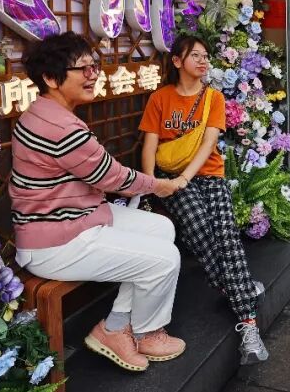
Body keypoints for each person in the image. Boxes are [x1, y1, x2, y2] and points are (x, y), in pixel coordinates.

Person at [11, 32, 185, 373]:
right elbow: (113, 178)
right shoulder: (60, 127)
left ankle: (115, 326)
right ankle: (147, 332)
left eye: (95, 67)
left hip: (75, 219)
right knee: (165, 259)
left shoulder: (45, 112)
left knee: (161, 229)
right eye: (83, 69)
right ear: (50, 79)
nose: (93, 75)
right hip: (55, 242)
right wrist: (159, 185)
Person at [139, 35, 269, 365]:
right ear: (177, 61)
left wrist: (184, 179)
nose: (203, 60)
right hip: (170, 180)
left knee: (225, 234)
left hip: (208, 174)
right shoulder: (160, 99)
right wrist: (152, 184)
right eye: (195, 55)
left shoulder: (213, 98)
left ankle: (249, 327)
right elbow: (150, 146)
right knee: (199, 230)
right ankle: (241, 286)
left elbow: (209, 144)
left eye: (205, 56)